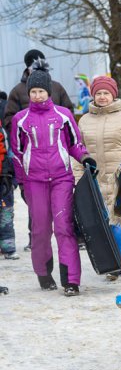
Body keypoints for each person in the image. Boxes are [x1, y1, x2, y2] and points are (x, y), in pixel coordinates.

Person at [9, 61, 94, 295]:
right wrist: (23, 184)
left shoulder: (63, 115)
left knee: (64, 227)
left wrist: (85, 158)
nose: (37, 96)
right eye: (33, 92)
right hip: (34, 181)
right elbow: (16, 154)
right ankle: (44, 274)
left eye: (41, 91)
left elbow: (74, 144)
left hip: (61, 178)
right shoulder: (20, 119)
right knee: (40, 229)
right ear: (28, 93)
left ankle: (71, 280)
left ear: (49, 92)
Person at [78, 75, 121, 278]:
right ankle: (112, 262)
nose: (102, 97)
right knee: (101, 223)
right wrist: (77, 177)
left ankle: (118, 264)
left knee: (117, 222)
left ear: (113, 94)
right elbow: (78, 151)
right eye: (98, 93)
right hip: (95, 179)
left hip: (119, 179)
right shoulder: (85, 120)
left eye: (106, 93)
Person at [2, 50, 74, 133]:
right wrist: (25, 134)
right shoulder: (17, 91)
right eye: (35, 68)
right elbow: (9, 119)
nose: (39, 71)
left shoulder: (57, 87)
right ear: (28, 69)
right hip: (30, 141)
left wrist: (62, 132)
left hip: (57, 139)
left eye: (42, 68)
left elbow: (69, 112)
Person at [1, 129, 16, 260]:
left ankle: (8, 247)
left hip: (3, 176)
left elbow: (8, 152)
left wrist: (9, 173)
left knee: (6, 213)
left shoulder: (2, 132)